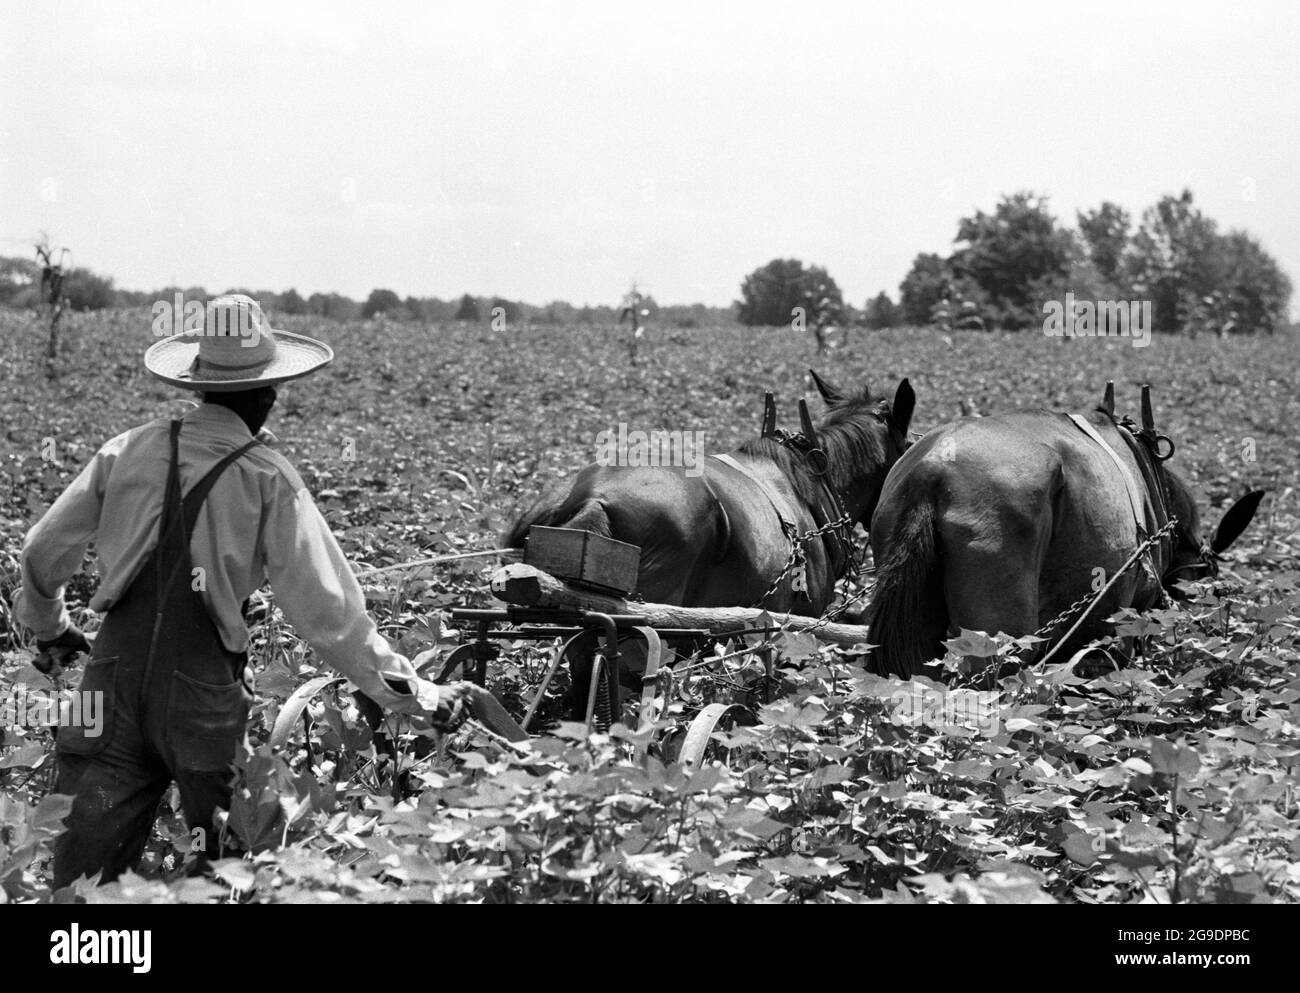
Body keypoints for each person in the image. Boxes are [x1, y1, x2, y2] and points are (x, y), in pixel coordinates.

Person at [14, 294, 476, 888]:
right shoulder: (266, 476)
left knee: (83, 880)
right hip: (202, 697)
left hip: (111, 686)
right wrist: (418, 697)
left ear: (199, 383)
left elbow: (41, 551)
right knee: (231, 862)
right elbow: (330, 616)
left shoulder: (126, 451)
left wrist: (50, 626)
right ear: (267, 393)